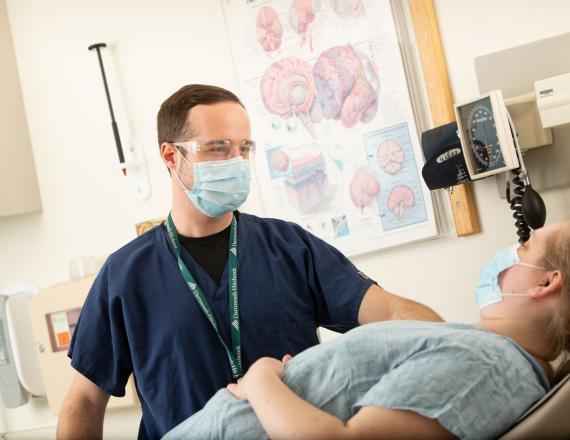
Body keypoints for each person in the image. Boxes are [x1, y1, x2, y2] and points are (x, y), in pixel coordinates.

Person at [56, 84, 442, 440]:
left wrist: (456, 343)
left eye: (245, 148)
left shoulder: (290, 247)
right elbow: (85, 402)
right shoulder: (124, 276)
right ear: (171, 156)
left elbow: (388, 310)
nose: (238, 162)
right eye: (219, 148)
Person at [163, 221, 570, 440]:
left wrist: (260, 381)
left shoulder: (482, 364)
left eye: (525, 247)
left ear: (546, 282)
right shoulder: (485, 353)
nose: (509, 254)